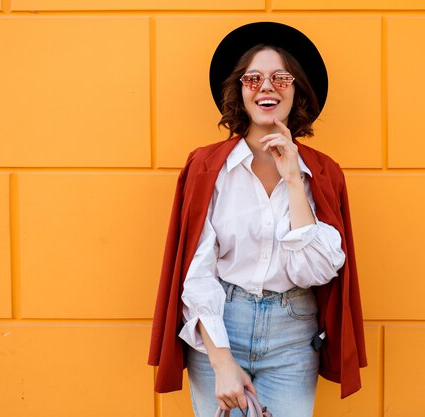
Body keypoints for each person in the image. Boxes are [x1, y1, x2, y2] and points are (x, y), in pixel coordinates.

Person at [148, 22, 367, 417]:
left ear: (296, 89)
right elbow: (196, 272)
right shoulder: (207, 167)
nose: (267, 86)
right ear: (240, 90)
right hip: (220, 323)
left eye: (281, 77)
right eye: (254, 77)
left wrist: (293, 181)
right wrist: (221, 362)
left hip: (293, 333)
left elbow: (314, 271)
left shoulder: (322, 173)